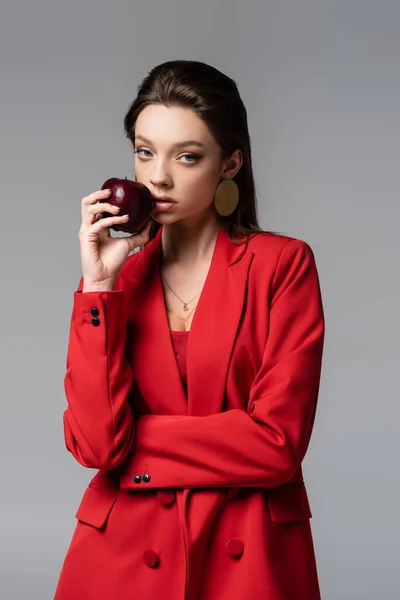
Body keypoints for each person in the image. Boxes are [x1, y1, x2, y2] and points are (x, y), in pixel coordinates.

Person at [54, 60, 325, 600]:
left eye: (188, 156)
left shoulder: (281, 265)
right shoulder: (117, 282)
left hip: (246, 553)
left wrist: (137, 443)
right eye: (144, 151)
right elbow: (95, 444)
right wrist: (98, 285)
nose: (157, 177)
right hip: (124, 555)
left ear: (231, 163)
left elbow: (275, 445)